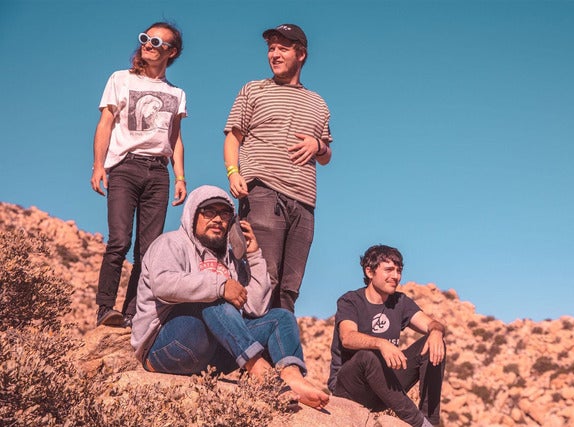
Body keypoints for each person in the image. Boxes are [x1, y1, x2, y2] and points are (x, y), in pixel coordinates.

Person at [131, 185, 329, 410]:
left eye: (224, 214)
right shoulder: (170, 243)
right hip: (164, 348)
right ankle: (259, 371)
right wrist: (220, 286)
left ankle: (292, 375)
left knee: (281, 317)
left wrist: (254, 256)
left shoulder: (231, 261)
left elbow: (256, 308)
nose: (217, 219)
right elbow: (162, 285)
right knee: (213, 298)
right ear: (192, 215)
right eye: (208, 212)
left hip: (212, 356)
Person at [223, 23, 333, 312]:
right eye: (271, 48)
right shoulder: (253, 90)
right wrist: (233, 172)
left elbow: (326, 155)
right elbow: (233, 138)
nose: (274, 54)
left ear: (301, 54)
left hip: (304, 202)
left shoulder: (319, 104)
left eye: (282, 49)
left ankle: (280, 340)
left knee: (289, 288)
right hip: (263, 193)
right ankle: (249, 340)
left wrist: (317, 145)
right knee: (262, 277)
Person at [90, 22, 187, 328]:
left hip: (159, 173)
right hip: (125, 167)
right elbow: (105, 123)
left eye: (156, 41)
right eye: (145, 38)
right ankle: (105, 308)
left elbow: (175, 137)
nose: (148, 44)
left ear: (171, 52)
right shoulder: (120, 79)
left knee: (148, 250)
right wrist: (98, 165)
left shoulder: (176, 93)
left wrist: (180, 176)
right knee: (119, 240)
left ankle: (133, 313)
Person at [328, 245, 446, 427]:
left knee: (433, 344)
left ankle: (431, 421)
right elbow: (347, 337)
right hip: (350, 389)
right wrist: (381, 343)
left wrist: (436, 331)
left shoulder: (400, 302)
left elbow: (431, 324)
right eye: (389, 270)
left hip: (383, 390)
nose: (396, 276)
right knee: (367, 356)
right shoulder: (350, 301)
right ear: (369, 271)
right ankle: (420, 424)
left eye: (399, 271)